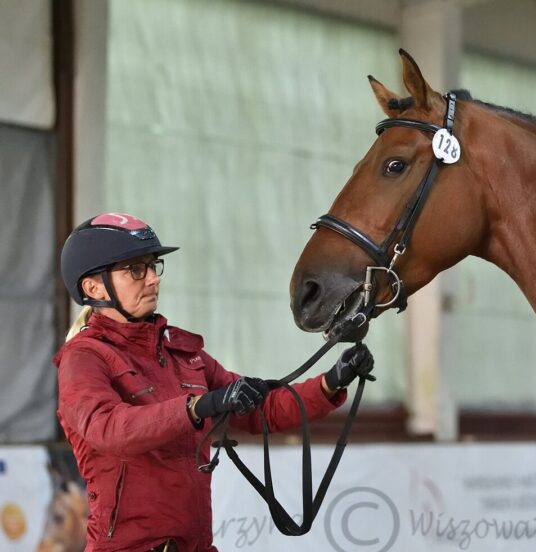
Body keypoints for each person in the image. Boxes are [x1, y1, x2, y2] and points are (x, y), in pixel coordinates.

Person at [53, 212, 374, 552]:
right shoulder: (83, 357)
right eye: (135, 269)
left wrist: (330, 383)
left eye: (152, 266)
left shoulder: (179, 350)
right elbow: (110, 429)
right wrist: (198, 407)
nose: (152, 279)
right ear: (93, 287)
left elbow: (262, 409)